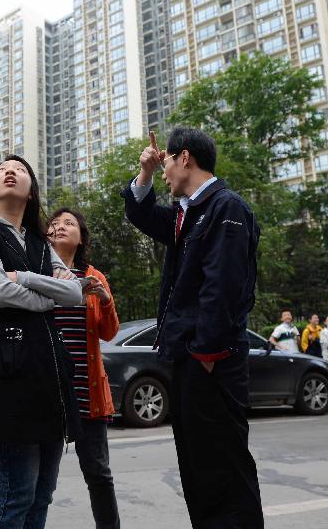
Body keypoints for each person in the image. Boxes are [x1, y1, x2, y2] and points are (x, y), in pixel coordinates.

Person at [122, 128, 263, 528]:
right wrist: (145, 173)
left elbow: (223, 287)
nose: (164, 170)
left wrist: (206, 353)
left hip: (211, 360)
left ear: (185, 158)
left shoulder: (226, 207)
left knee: (224, 468)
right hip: (190, 357)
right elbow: (142, 214)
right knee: (199, 467)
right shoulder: (188, 213)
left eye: (165, 161)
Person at [0, 155, 84, 529]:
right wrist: (48, 297)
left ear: (31, 190)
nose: (10, 171)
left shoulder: (38, 242)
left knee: (43, 493)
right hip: (6, 374)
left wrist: (27, 278)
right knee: (18, 492)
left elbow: (75, 292)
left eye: (20, 169)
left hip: (47, 377)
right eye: (1, 169)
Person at [48, 207, 121, 529]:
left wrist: (104, 299)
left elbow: (108, 332)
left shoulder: (93, 275)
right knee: (40, 481)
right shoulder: (38, 271)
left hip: (87, 393)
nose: (60, 227)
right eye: (54, 223)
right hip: (48, 393)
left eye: (68, 223)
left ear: (80, 237)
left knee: (99, 474)